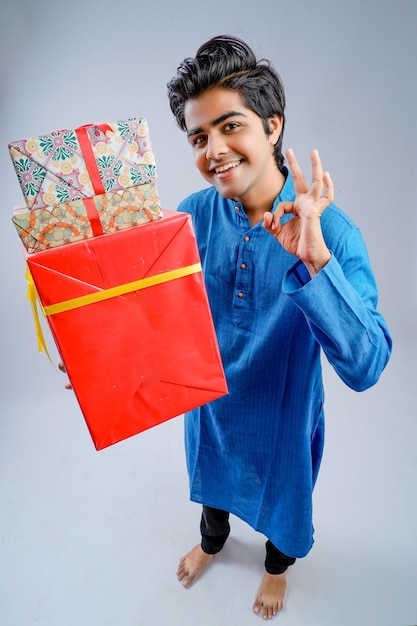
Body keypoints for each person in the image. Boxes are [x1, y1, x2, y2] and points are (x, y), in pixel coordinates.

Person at [166, 35, 392, 619]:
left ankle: (275, 570)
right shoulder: (188, 218)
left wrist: (315, 262)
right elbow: (156, 319)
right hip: (211, 406)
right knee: (210, 485)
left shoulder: (331, 231)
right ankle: (213, 543)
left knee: (285, 503)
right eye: (198, 137)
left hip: (284, 412)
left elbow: (367, 367)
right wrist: (98, 358)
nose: (213, 149)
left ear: (272, 126)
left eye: (229, 126)